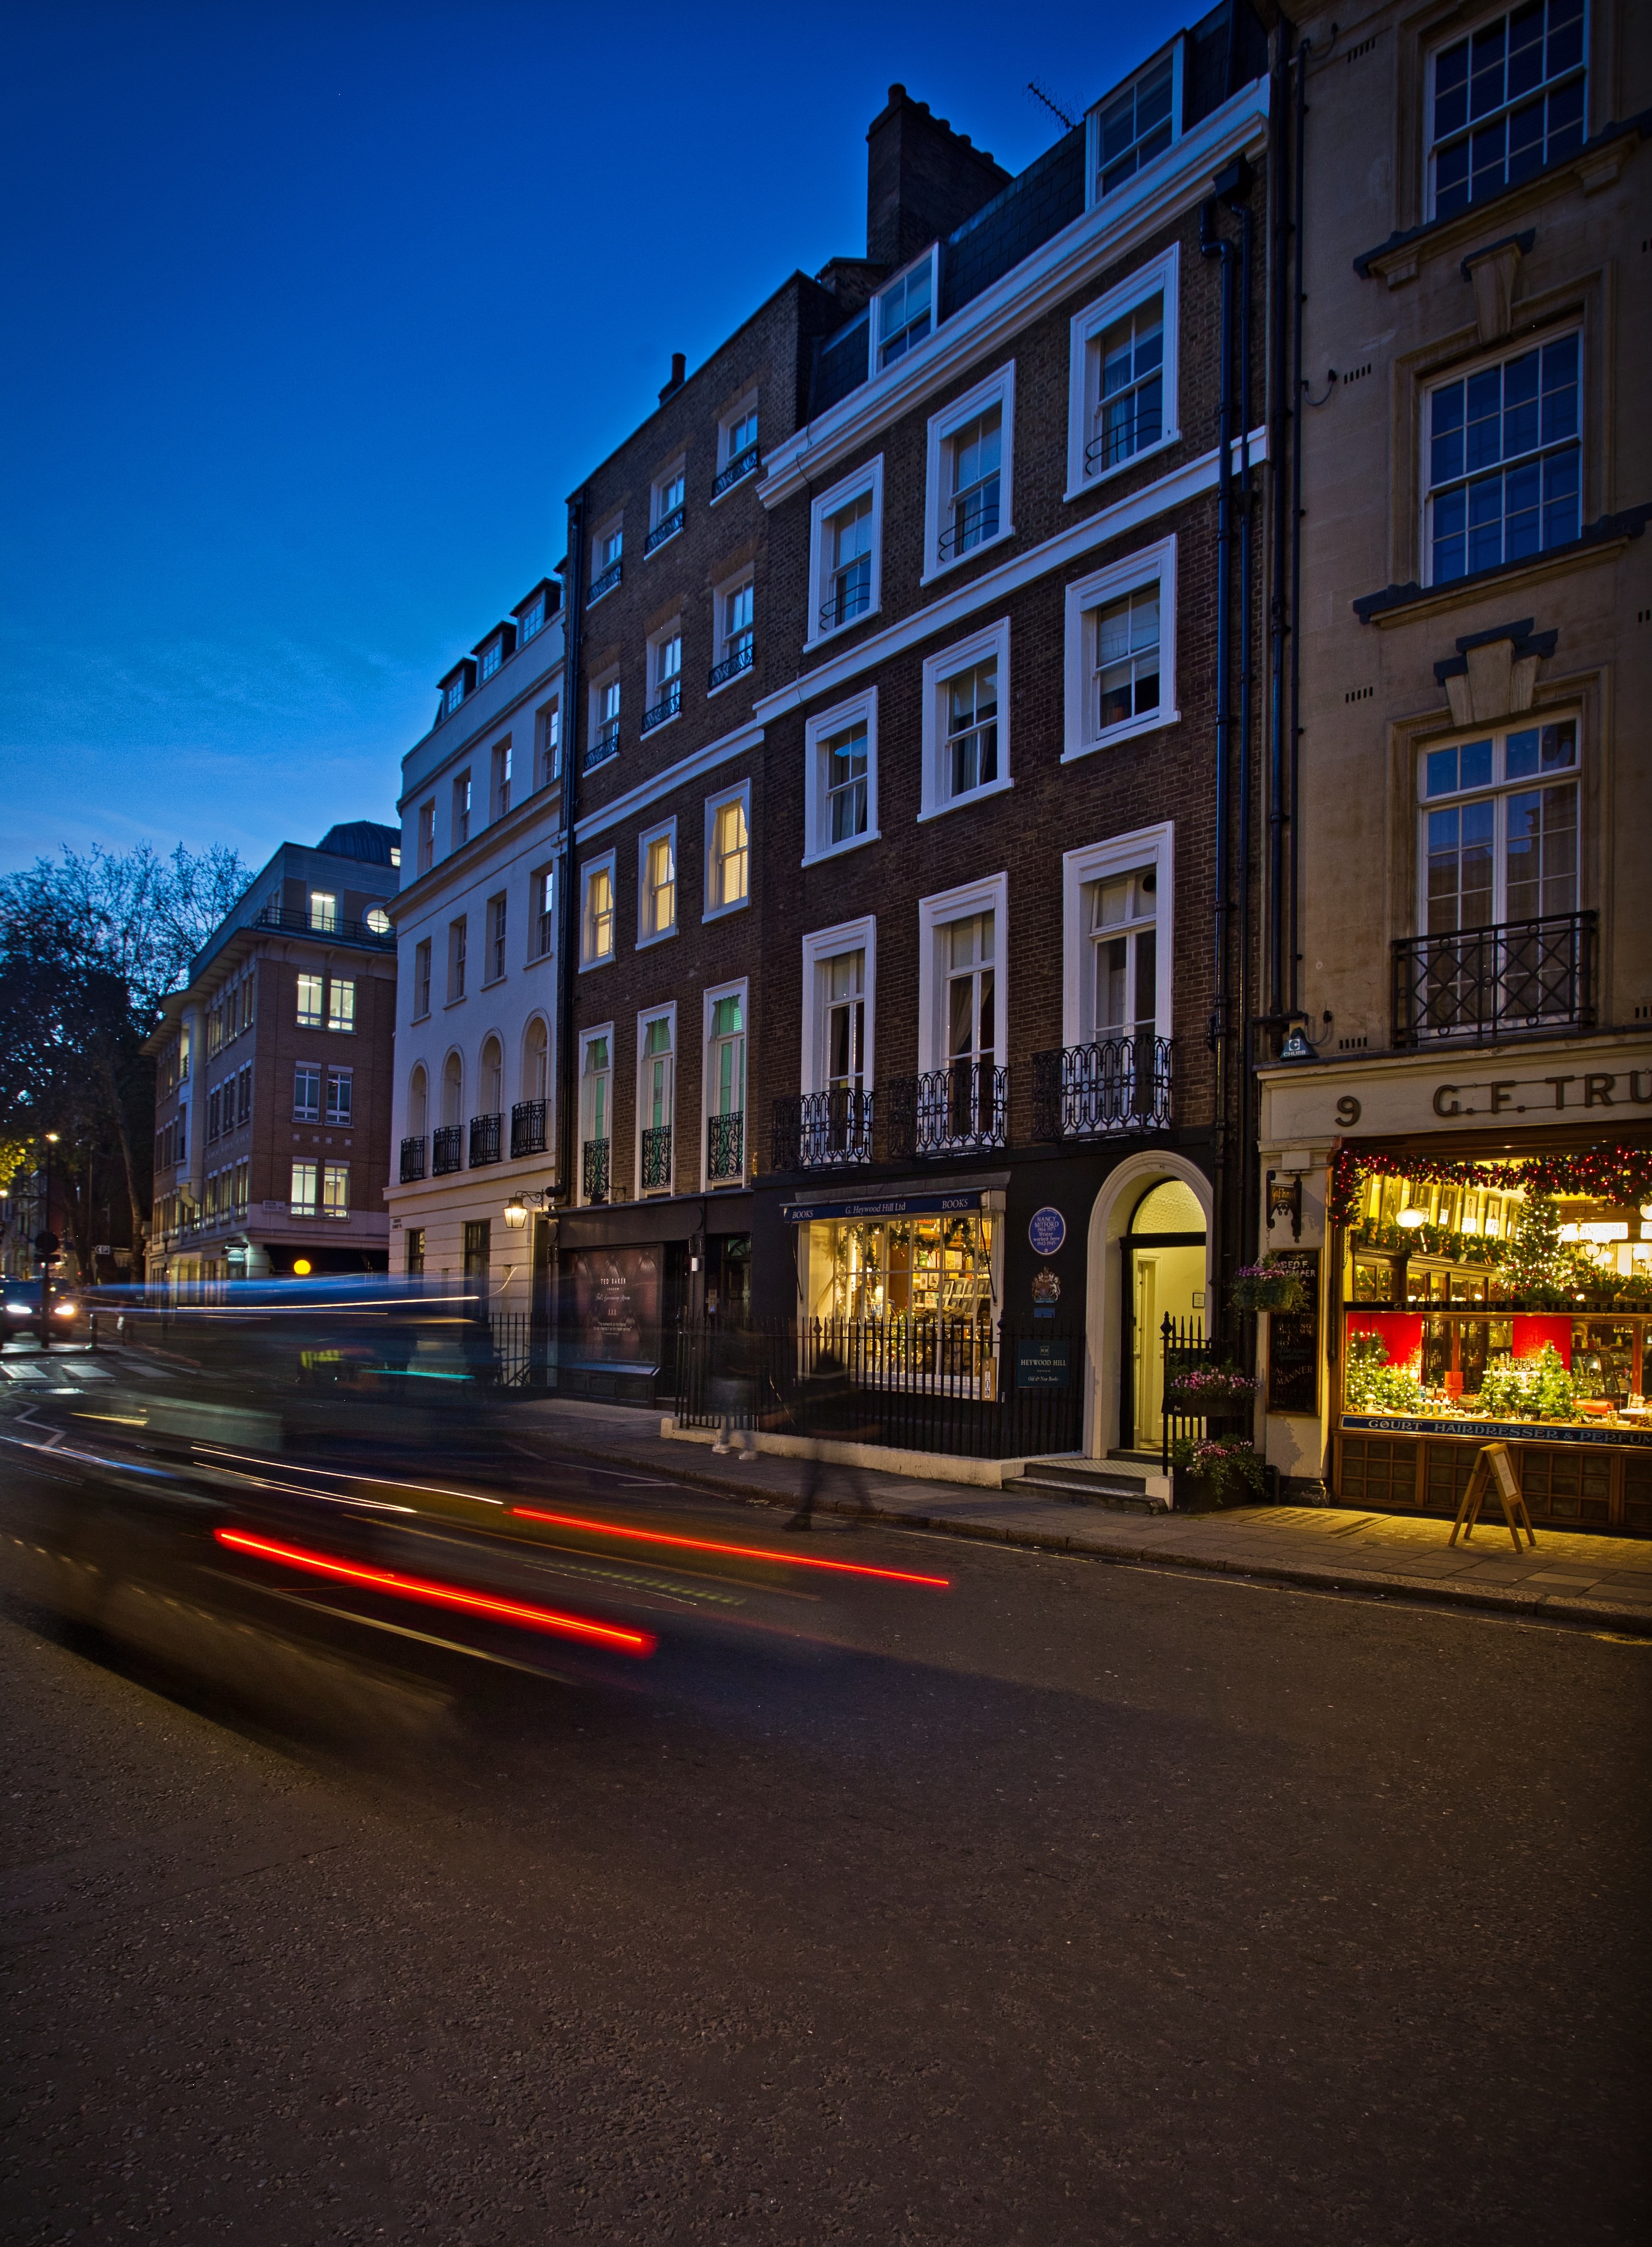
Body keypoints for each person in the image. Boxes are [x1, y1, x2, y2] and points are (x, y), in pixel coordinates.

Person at [787, 1345, 874, 1529]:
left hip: (827, 1434)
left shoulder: (822, 1379)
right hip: (835, 1433)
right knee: (844, 1474)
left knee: (815, 1477)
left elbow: (808, 1402)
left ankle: (804, 1517)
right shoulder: (839, 1379)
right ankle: (866, 1508)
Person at [708, 1320, 756, 1459]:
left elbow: (722, 1364)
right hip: (739, 1381)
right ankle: (724, 1443)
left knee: (735, 1416)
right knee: (732, 1415)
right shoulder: (741, 1344)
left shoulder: (725, 1343)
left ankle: (749, 1449)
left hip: (727, 1381)